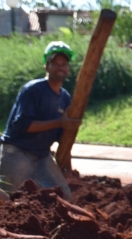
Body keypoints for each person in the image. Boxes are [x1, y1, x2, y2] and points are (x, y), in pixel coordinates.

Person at [0, 41, 81, 201]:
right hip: (18, 152)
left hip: (42, 156)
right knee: (6, 199)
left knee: (64, 196)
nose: (60, 67)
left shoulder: (65, 97)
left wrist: (67, 164)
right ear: (46, 66)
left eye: (64, 64)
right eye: (55, 63)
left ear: (68, 68)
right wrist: (59, 122)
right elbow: (23, 125)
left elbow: (63, 135)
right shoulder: (33, 90)